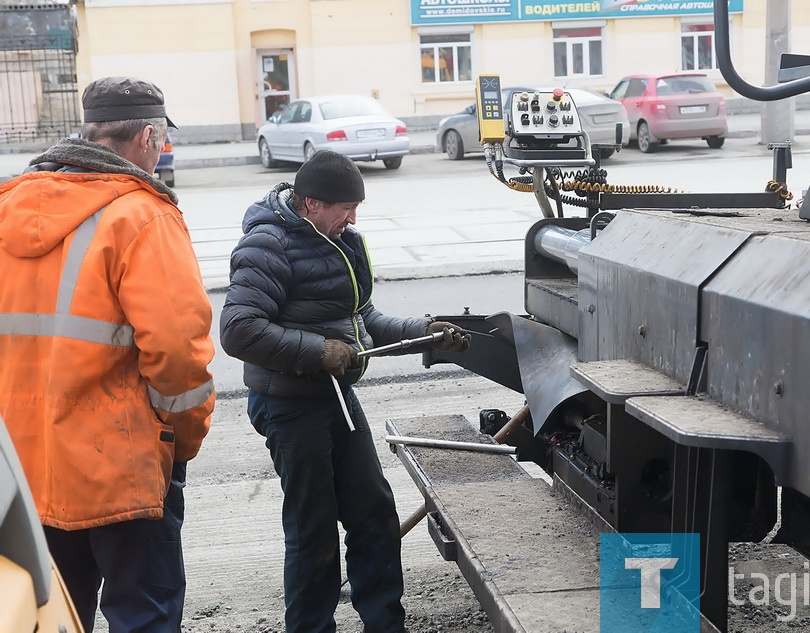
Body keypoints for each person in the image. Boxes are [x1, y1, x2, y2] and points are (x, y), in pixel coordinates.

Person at [220, 149, 471, 633]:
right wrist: (319, 352)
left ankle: (384, 624)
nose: (353, 217)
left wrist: (427, 330)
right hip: (288, 405)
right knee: (313, 530)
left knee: (374, 512)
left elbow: (365, 322)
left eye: (356, 207)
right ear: (311, 203)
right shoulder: (267, 245)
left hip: (334, 396)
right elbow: (238, 330)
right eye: (345, 208)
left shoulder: (341, 240)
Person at [0, 76, 216, 632]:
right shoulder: (143, 217)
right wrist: (181, 442)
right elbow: (177, 355)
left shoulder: (7, 207)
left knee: (45, 622)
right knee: (142, 616)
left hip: (22, 474)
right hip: (121, 474)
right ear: (149, 137)